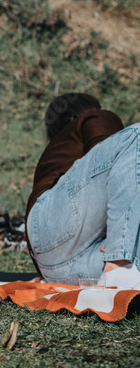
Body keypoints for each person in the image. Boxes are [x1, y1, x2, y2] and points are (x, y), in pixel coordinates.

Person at [25, 93, 140, 289]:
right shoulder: (95, 119)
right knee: (137, 134)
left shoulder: (56, 155)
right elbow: (108, 170)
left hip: (58, 269)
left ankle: (119, 267)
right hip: (52, 226)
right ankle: (118, 265)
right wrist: (118, 246)